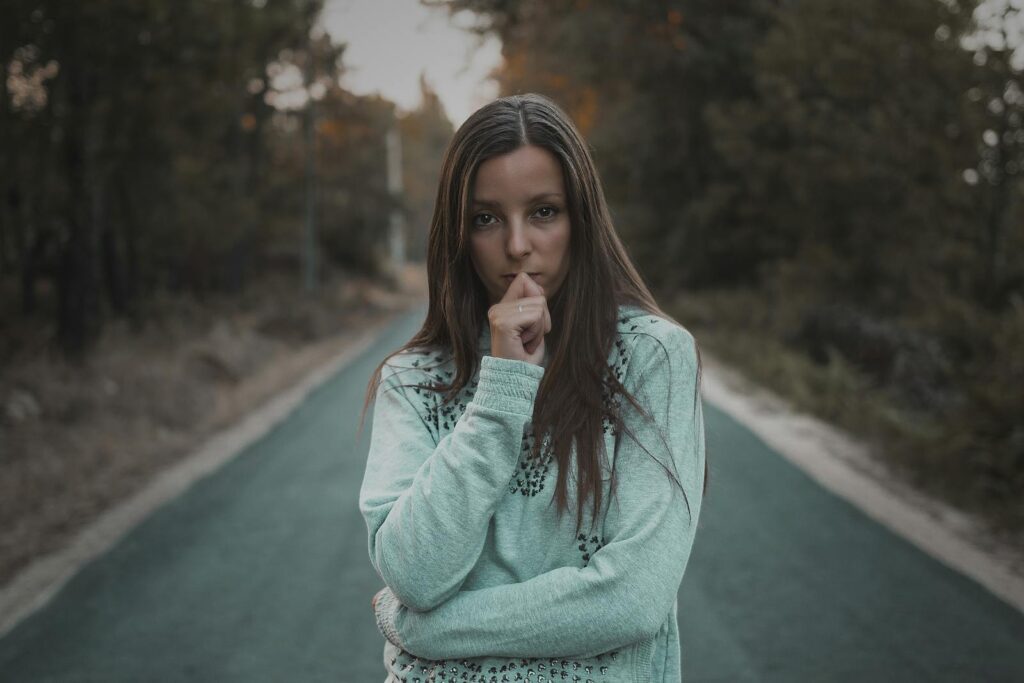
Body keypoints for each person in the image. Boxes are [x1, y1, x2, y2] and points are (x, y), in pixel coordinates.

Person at [358, 92, 708, 683]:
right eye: (486, 218)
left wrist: (428, 631)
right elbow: (414, 573)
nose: (518, 245)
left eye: (544, 212)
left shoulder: (654, 356)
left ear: (581, 218)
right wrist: (502, 391)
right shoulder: (414, 379)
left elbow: (631, 599)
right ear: (459, 234)